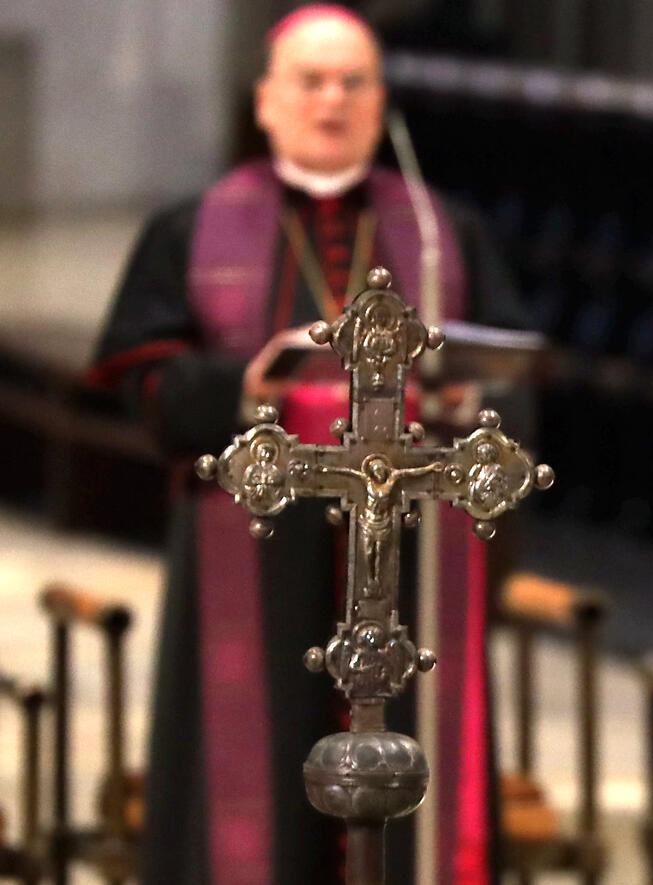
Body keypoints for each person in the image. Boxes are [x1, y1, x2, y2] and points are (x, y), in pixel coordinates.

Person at [89, 6, 521, 884]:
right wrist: (247, 391)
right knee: (258, 773)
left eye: (353, 83)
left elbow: (509, 386)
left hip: (411, 556)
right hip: (256, 549)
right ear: (265, 100)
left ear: (381, 102)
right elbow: (149, 386)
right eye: (311, 81)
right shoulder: (193, 227)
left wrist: (467, 398)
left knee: (411, 765)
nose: (332, 101)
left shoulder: (441, 232)